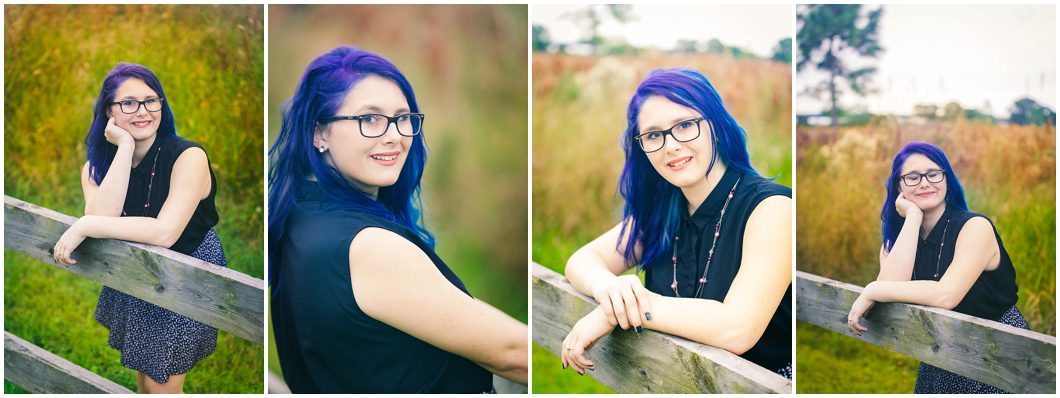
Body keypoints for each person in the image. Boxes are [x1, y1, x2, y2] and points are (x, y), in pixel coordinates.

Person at [268, 46, 527, 393]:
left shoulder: (297, 216)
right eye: (369, 119)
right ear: (320, 132)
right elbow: (512, 354)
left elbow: (451, 308)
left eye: (402, 118)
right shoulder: (368, 246)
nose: (394, 135)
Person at [560, 68, 792, 379]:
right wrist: (612, 291)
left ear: (716, 126)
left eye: (684, 125)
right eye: (653, 135)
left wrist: (621, 311)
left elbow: (738, 328)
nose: (670, 145)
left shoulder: (772, 208)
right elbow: (582, 260)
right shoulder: (662, 209)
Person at [52, 62, 224, 393]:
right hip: (135, 267)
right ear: (109, 111)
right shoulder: (95, 166)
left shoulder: (189, 157)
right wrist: (125, 147)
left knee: (161, 385)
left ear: (161, 104)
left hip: (184, 271)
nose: (142, 111)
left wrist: (86, 224)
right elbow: (104, 214)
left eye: (150, 100)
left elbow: (165, 233)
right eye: (129, 103)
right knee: (145, 378)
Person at [847, 142, 1026, 393]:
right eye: (912, 177)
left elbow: (946, 295)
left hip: (999, 353)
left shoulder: (975, 227)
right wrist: (913, 217)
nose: (924, 183)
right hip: (940, 351)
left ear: (947, 180)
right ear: (898, 187)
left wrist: (872, 289)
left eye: (933, 174)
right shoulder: (895, 242)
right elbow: (891, 289)